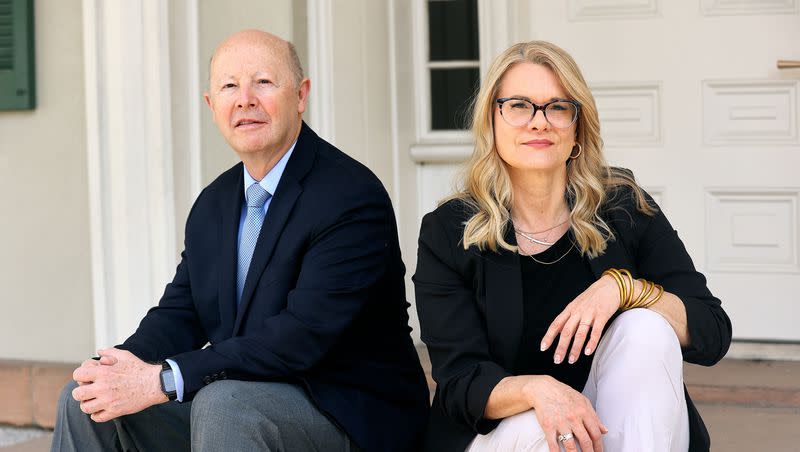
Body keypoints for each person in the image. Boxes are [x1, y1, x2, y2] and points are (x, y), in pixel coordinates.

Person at [52, 29, 429, 452]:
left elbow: (300, 337)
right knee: (86, 400)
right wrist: (121, 370)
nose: (245, 99)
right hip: (247, 398)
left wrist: (163, 379)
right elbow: (182, 313)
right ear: (212, 106)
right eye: (229, 86)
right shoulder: (214, 204)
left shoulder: (350, 197)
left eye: (263, 82)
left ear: (301, 95)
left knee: (224, 402)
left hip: (350, 414)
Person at [413, 41, 731, 452]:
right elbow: (459, 382)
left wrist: (626, 289)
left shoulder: (624, 207)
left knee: (645, 326)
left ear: (578, 126)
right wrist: (540, 392)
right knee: (553, 436)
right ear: (492, 121)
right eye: (518, 105)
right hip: (508, 433)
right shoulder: (450, 230)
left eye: (558, 107)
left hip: (619, 431)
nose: (539, 122)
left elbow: (712, 330)